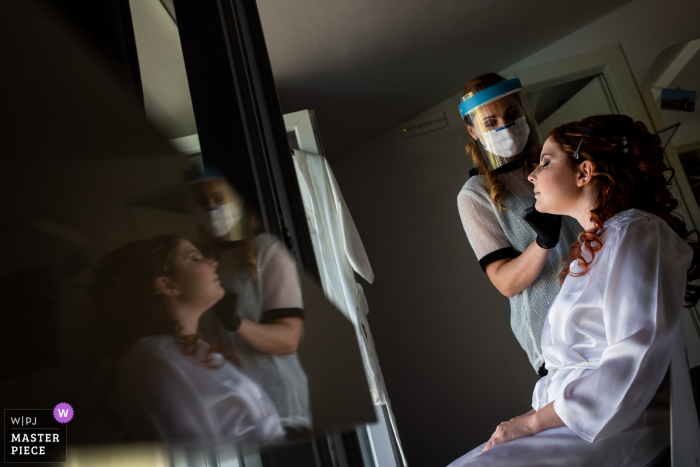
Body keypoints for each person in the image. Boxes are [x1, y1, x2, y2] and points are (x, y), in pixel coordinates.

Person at [448, 114, 699, 466]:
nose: (532, 174)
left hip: (613, 425)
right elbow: (504, 281)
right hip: (571, 420)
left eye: (545, 162)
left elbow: (631, 361)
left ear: (584, 173)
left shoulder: (638, 233)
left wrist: (531, 423)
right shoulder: (597, 245)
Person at [89, 234, 285, 446]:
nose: (213, 262)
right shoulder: (150, 362)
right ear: (168, 285)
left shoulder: (183, 351)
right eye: (195, 258)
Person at [457, 73, 582, 375]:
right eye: (490, 122)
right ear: (473, 130)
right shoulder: (475, 195)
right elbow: (505, 282)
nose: (505, 127)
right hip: (552, 331)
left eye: (512, 115)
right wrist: (542, 243)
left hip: (594, 306)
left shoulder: (554, 166)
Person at [184, 167, 312, 433]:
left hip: (279, 404)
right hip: (228, 409)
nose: (211, 209)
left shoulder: (268, 250)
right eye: (203, 202)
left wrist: (236, 323)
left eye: (218, 199)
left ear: (238, 199)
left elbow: (289, 340)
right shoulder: (200, 262)